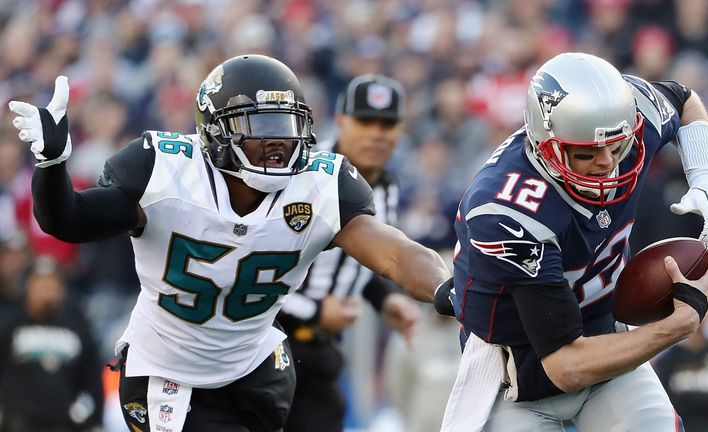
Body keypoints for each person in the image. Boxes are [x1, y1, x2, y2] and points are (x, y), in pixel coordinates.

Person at [8, 54, 451, 432]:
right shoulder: (165, 172)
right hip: (166, 372)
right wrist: (52, 164)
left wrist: (445, 287)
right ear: (216, 130)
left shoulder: (323, 185)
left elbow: (393, 251)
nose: (278, 139)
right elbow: (67, 220)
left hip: (255, 362)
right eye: (259, 125)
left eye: (286, 123)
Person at [434, 52, 708, 432]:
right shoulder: (506, 210)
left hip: (604, 341)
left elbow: (682, 98)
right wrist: (678, 325)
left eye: (616, 147)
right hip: (515, 376)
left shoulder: (628, 117)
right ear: (545, 143)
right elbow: (566, 365)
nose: (606, 164)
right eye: (585, 153)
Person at [278, 74, 421, 432]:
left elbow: (359, 258)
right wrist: (312, 311)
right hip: (270, 344)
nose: (377, 133)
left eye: (387, 124)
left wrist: (385, 299)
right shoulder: (302, 174)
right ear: (341, 121)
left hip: (322, 351)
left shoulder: (386, 185)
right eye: (365, 120)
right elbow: (254, 265)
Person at [0, 256, 104, 432]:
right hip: (17, 422)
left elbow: (92, 378)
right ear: (28, 288)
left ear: (62, 289)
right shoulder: (10, 325)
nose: (47, 291)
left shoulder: (77, 327)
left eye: (52, 284)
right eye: (40, 284)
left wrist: (95, 422)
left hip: (65, 423)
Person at [653, 302, 708, 432]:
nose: (701, 313)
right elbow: (664, 402)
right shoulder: (668, 361)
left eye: (707, 306)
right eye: (695, 305)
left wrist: (685, 397)